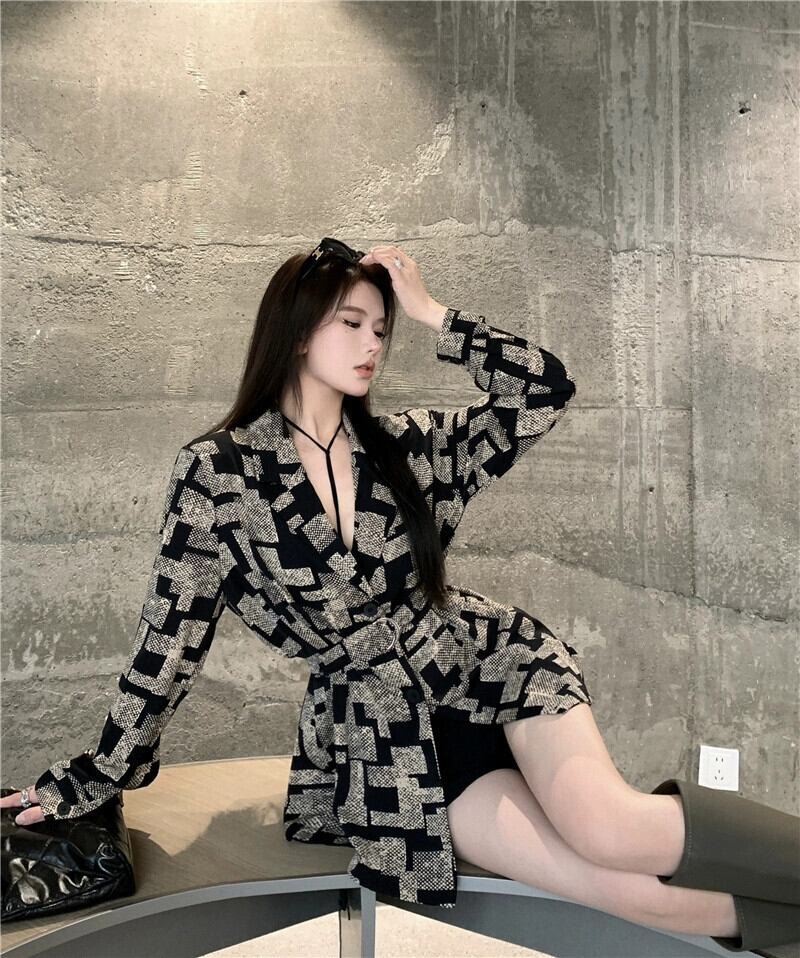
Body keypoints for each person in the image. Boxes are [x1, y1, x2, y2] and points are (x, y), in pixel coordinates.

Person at [3, 239, 797, 952]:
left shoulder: (412, 447)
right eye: (352, 323)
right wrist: (96, 774)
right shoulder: (219, 477)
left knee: (614, 831)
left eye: (382, 329)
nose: (373, 344)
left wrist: (433, 312)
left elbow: (544, 391)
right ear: (297, 330)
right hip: (389, 739)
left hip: (495, 668)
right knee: (617, 891)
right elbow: (167, 645)